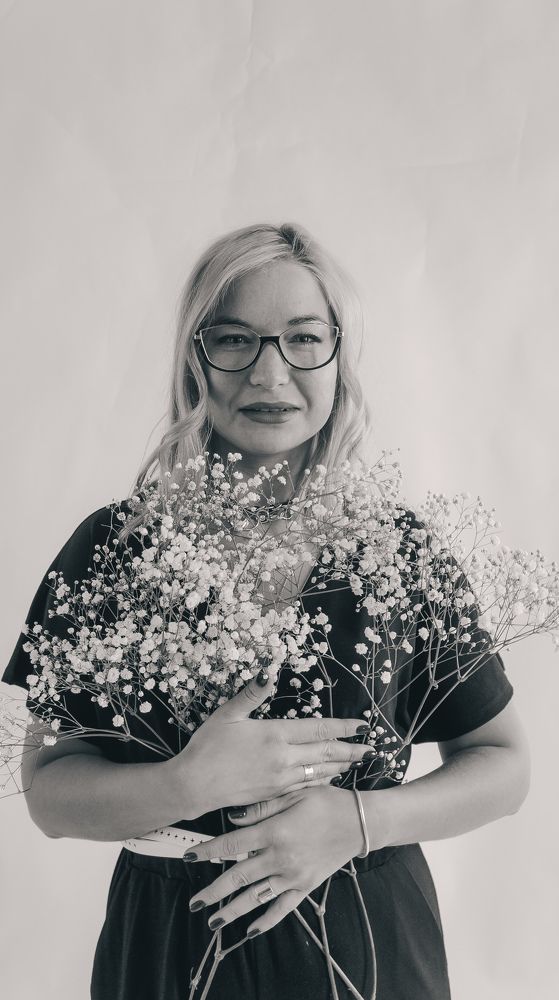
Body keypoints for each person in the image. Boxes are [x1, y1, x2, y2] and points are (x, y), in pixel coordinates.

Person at [2, 222, 531, 1000]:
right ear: (195, 356)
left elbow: (504, 767)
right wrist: (187, 783)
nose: (269, 372)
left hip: (368, 938)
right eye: (235, 340)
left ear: (338, 356)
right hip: (171, 942)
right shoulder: (117, 548)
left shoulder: (397, 551)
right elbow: (50, 794)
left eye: (302, 338)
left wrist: (358, 822)